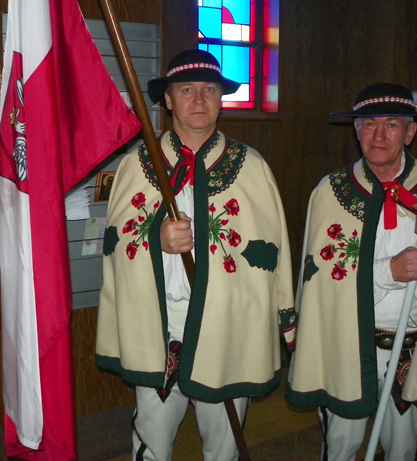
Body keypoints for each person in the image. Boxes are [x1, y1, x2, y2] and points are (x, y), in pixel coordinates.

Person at [96, 49, 296, 461]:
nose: (199, 100)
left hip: (228, 329)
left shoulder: (251, 167)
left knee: (224, 444)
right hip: (160, 327)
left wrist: (281, 317)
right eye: (186, 90)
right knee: (152, 438)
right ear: (168, 100)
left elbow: (272, 255)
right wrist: (156, 239)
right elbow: (116, 245)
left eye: (209, 90)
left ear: (221, 99)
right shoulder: (137, 163)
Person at [286, 83, 417, 461]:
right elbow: (321, 281)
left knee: (402, 448)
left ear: (411, 132)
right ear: (356, 129)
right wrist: (389, 271)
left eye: (392, 125)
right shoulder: (330, 192)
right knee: (340, 445)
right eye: (368, 124)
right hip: (346, 343)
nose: (379, 135)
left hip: (410, 349)